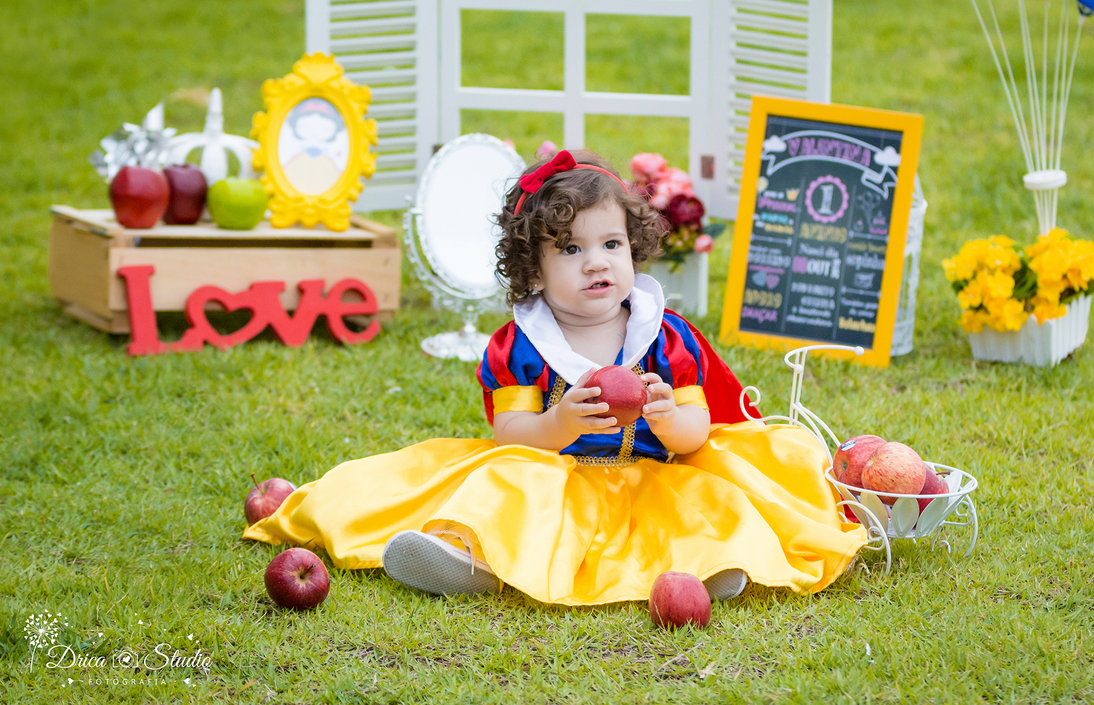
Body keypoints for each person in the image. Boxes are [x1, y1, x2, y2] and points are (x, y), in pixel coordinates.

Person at [244, 150, 867, 606]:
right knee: (508, 486)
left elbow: (698, 430)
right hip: (553, 469)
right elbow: (510, 431)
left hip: (654, 473)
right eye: (570, 250)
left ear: (633, 248)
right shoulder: (522, 346)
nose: (595, 261)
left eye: (611, 245)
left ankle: (706, 569)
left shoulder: (665, 337)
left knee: (699, 505)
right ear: (534, 271)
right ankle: (471, 559)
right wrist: (558, 422)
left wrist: (666, 417)